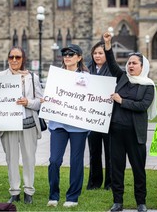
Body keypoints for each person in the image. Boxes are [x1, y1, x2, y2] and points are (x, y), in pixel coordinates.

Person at [102, 32, 157, 212]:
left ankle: (141, 202)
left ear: (142, 66)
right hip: (116, 132)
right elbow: (111, 64)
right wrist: (108, 44)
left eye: (134, 63)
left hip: (135, 134)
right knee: (116, 169)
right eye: (129, 63)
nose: (130, 65)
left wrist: (121, 101)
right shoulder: (123, 77)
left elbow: (142, 106)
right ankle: (117, 202)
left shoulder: (148, 85)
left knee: (138, 170)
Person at [46, 44, 90, 208]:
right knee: (54, 160)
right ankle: (53, 195)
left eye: (71, 54)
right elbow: (49, 95)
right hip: (58, 124)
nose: (67, 57)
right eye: (65, 54)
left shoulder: (87, 77)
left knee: (76, 161)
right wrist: (46, 101)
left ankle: (72, 197)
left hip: (78, 126)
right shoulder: (56, 75)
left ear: (79, 57)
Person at [0, 46, 43, 204]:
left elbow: (40, 102)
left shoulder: (32, 77)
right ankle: (15, 191)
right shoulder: (1, 76)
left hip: (28, 123)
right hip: (9, 124)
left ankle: (29, 191)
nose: (14, 60)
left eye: (18, 57)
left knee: (29, 158)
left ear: (23, 58)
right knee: (11, 158)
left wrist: (28, 102)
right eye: (11, 57)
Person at [86, 41, 112, 191]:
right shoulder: (87, 70)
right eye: (95, 53)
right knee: (94, 151)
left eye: (100, 53)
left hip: (108, 117)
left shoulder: (113, 69)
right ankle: (94, 183)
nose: (97, 56)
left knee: (110, 152)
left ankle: (109, 183)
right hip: (92, 117)